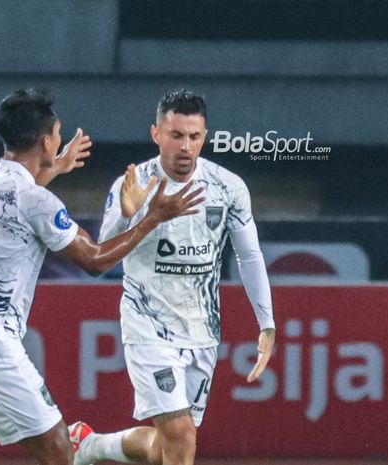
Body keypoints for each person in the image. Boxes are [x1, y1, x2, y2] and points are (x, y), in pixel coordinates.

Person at [0, 88, 204, 465]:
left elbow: (17, 202)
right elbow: (95, 261)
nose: (60, 139)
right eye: (57, 133)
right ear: (44, 141)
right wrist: (154, 217)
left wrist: (54, 168)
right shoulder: (36, 201)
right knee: (59, 450)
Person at [69, 89, 276, 465]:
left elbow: (249, 255)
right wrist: (129, 214)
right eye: (176, 135)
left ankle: (92, 446)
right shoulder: (132, 186)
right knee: (180, 437)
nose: (185, 146)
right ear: (156, 134)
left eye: (194, 137)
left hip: (202, 332)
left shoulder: (227, 187)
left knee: (168, 447)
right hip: (148, 326)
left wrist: (267, 323)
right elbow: (100, 259)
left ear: (205, 137)